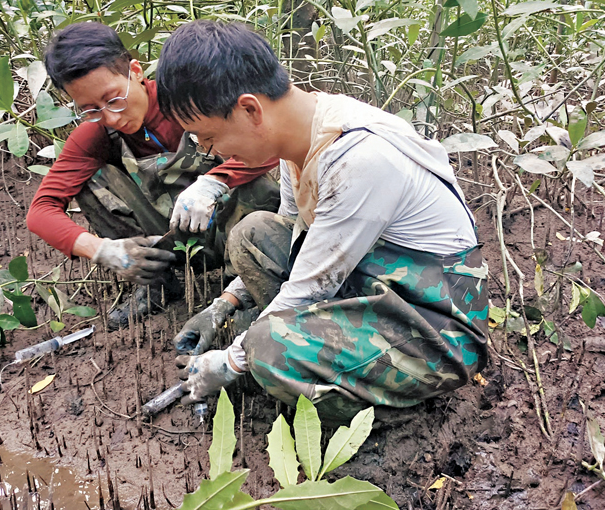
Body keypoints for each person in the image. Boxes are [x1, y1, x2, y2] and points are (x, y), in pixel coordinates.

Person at [158, 20, 490, 421]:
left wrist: (229, 362)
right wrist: (224, 304)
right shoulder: (301, 138)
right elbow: (295, 240)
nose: (212, 153)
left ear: (249, 109)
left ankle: (381, 412)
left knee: (267, 347)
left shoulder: (359, 157)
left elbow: (309, 287)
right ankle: (317, 358)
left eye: (208, 138)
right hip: (373, 281)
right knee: (253, 234)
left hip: (435, 328)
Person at [26, 22, 280, 330]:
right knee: (90, 181)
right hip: (167, 241)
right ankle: (157, 284)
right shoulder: (95, 134)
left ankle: (240, 287)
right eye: (90, 109)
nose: (111, 117)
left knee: (260, 189)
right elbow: (41, 211)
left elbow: (269, 144)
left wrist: (215, 182)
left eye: (114, 98)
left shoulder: (187, 99)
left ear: (136, 70)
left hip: (226, 227)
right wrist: (103, 250)